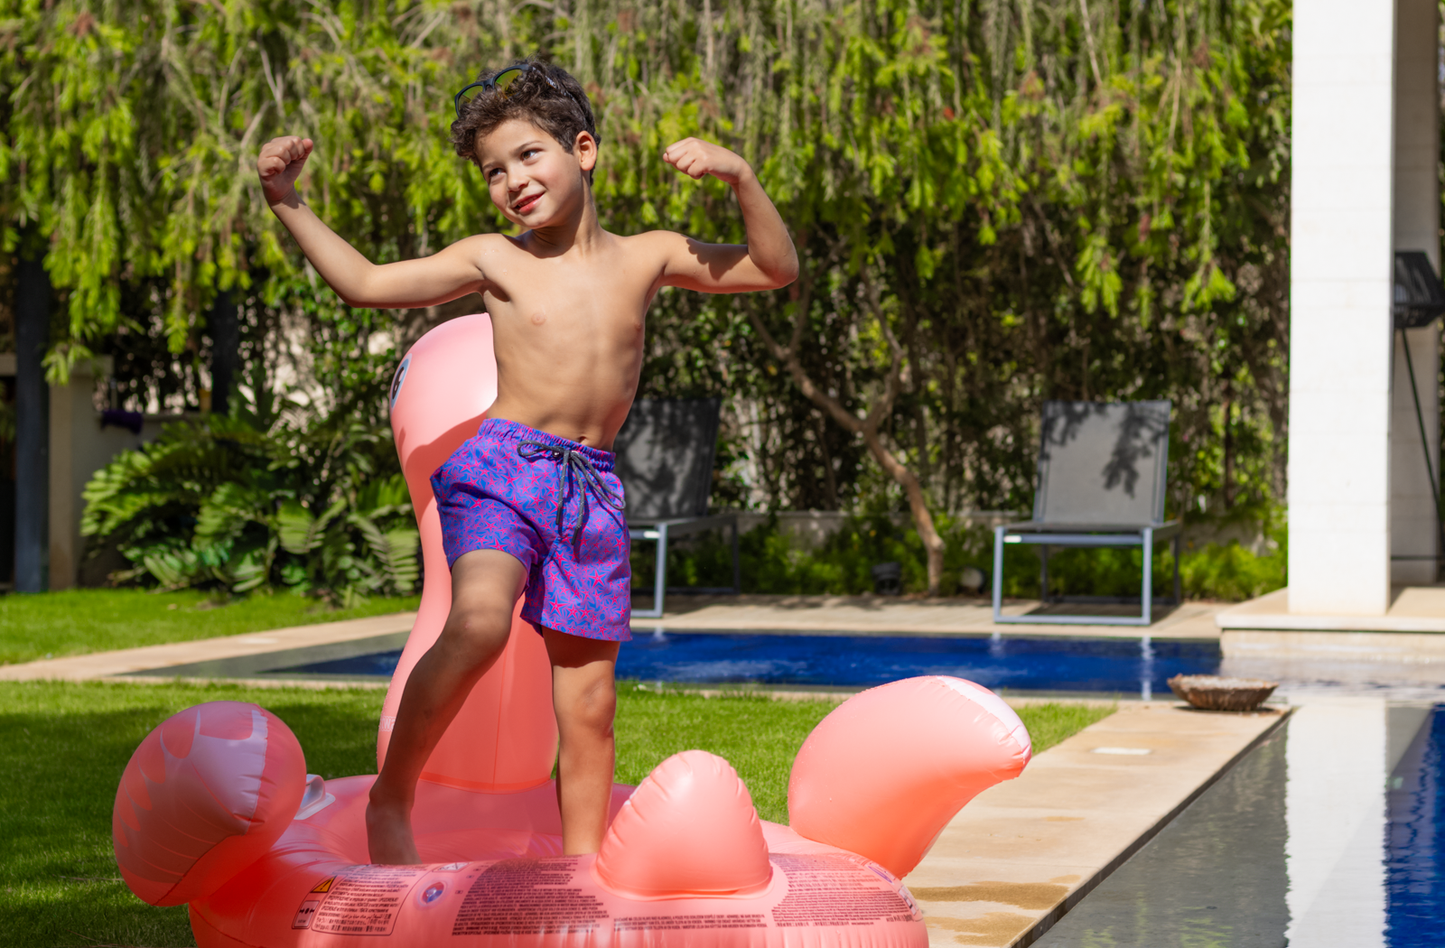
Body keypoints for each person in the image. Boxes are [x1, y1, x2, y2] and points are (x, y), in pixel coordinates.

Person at [255, 59, 797, 864]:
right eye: (493, 171)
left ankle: (580, 871)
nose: (512, 180)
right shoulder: (493, 260)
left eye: (528, 155)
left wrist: (740, 176)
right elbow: (365, 283)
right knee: (478, 623)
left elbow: (773, 267)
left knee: (589, 699)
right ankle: (391, 796)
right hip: (502, 468)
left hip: (589, 489)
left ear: (583, 149)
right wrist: (285, 199)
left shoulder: (649, 255)